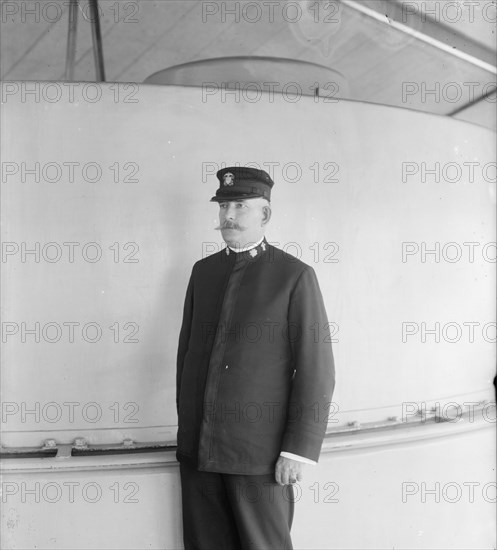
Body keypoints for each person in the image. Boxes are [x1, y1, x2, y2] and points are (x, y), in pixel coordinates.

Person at [176, 166, 335, 550]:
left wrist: (297, 450)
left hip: (259, 456)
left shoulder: (294, 276)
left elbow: (317, 371)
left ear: (264, 214)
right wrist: (188, 436)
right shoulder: (203, 272)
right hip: (199, 452)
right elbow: (186, 357)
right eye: (223, 207)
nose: (228, 217)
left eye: (240, 206)